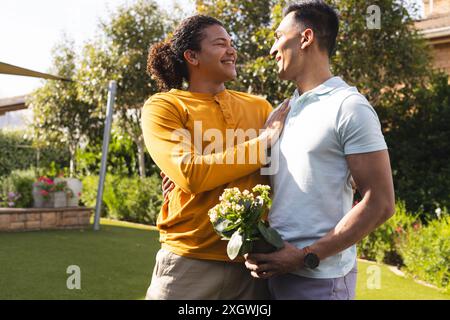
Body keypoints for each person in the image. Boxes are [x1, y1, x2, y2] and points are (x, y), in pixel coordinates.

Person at [243, 1, 395, 300]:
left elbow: (381, 202)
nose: (272, 50)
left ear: (306, 38)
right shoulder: (283, 111)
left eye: (278, 37)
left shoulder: (348, 106)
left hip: (320, 281)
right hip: (272, 275)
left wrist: (306, 256)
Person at [141, 14, 290, 300]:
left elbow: (282, 172)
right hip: (188, 263)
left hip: (251, 267)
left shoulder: (260, 108)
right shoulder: (165, 106)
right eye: (221, 44)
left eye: (231, 43)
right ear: (192, 56)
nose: (232, 50)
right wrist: (263, 142)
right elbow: (190, 174)